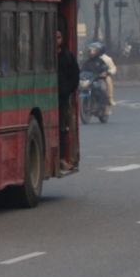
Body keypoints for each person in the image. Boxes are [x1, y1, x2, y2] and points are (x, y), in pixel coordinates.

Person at [57, 29, 79, 171]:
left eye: (58, 37)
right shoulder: (43, 56)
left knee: (62, 127)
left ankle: (62, 158)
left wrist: (67, 90)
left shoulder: (67, 56)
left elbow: (75, 75)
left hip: (62, 98)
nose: (56, 40)